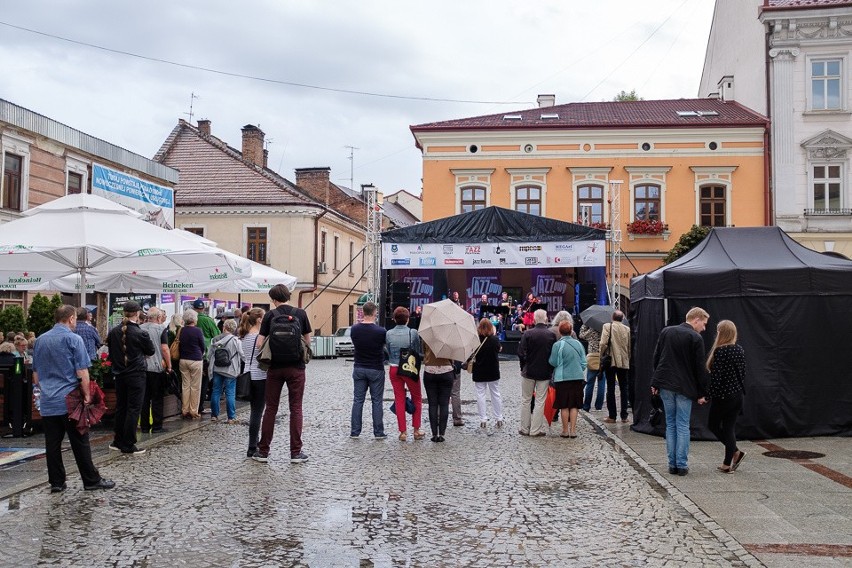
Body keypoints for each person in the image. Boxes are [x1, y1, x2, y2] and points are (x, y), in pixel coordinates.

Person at [32, 305, 115, 492]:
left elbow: (35, 376)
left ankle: (56, 482)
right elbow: (82, 371)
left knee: (52, 443)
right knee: (80, 441)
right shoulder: (73, 339)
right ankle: (91, 480)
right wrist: (86, 395)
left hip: (48, 400)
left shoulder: (40, 340)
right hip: (70, 400)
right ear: (70, 318)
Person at [253, 284, 312, 464]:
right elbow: (308, 341)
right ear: (288, 296)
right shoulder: (300, 313)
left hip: (275, 368)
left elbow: (259, 344)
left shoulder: (270, 315)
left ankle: (263, 451)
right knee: (296, 408)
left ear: (273, 299)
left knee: (271, 408)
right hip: (296, 368)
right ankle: (295, 453)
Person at [651, 307, 711, 476]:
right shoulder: (695, 338)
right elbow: (700, 368)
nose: (704, 328)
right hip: (685, 387)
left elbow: (656, 358)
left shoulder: (666, 332)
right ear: (696, 320)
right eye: (704, 324)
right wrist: (702, 392)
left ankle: (672, 464)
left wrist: (655, 382)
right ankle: (682, 465)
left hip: (665, 384)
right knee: (683, 425)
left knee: (670, 424)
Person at [106, 301, 155, 455]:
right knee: (133, 409)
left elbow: (112, 354)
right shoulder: (141, 333)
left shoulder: (114, 332)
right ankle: (128, 443)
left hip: (120, 374)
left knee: (121, 407)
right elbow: (151, 350)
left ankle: (118, 440)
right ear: (137, 313)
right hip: (136, 374)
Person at [706, 320, 747, 474]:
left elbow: (716, 378)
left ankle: (735, 453)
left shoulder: (720, 351)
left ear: (721, 333)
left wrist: (708, 396)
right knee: (729, 428)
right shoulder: (739, 349)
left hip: (723, 396)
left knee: (714, 425)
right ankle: (727, 462)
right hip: (737, 395)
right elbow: (743, 374)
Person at [349, 301, 387, 439]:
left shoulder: (354, 329)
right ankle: (378, 432)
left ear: (363, 312)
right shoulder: (381, 331)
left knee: (358, 400)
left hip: (359, 367)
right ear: (375, 312)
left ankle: (355, 431)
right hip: (376, 368)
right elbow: (384, 346)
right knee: (376, 401)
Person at [386, 306, 424, 441]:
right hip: (409, 367)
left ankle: (402, 431)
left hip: (394, 368)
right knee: (417, 397)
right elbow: (417, 352)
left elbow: (389, 351)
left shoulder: (389, 333)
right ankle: (416, 429)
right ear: (408, 319)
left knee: (399, 399)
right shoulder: (413, 333)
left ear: (394, 319)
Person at [517, 309, 556, 436]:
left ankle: (524, 428)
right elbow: (553, 355)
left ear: (534, 320)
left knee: (526, 400)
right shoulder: (551, 335)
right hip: (544, 372)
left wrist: (523, 366)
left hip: (528, 371)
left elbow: (521, 353)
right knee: (540, 401)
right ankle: (535, 430)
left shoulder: (527, 334)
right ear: (546, 320)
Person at [548, 320, 587, 438]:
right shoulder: (579, 344)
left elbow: (553, 362)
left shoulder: (557, 345)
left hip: (562, 378)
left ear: (560, 331)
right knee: (574, 405)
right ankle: (573, 430)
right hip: (577, 378)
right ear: (571, 331)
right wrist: (577, 369)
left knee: (564, 405)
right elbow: (584, 362)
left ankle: (565, 430)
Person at [239, 308, 267, 458]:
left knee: (254, 411)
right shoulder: (258, 337)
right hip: (260, 375)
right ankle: (253, 446)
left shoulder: (246, 336)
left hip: (249, 374)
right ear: (259, 320)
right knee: (258, 412)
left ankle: (253, 443)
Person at [140, 307, 171, 434]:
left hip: (142, 367)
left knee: (144, 398)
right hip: (156, 367)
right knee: (157, 397)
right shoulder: (161, 329)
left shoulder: (140, 328)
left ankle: (144, 426)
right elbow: (164, 348)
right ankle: (157, 426)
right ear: (158, 317)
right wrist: (169, 365)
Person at [208, 318, 244, 424]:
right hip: (231, 370)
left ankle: (214, 415)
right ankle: (231, 417)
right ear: (234, 329)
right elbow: (242, 355)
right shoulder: (235, 340)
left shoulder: (215, 340)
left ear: (224, 327)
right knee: (230, 393)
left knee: (216, 392)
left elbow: (209, 355)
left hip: (217, 369)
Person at [471, 318, 504, 428]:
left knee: (480, 395)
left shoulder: (475, 339)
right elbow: (499, 349)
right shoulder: (494, 339)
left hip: (479, 370)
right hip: (493, 370)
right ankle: (499, 417)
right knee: (495, 393)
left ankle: (483, 419)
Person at [601, 311, 631, 424]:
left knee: (611, 387)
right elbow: (629, 346)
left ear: (612, 317)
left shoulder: (607, 326)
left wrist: (601, 356)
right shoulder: (627, 329)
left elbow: (603, 343)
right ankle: (624, 416)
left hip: (611, 360)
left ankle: (612, 416)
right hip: (623, 361)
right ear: (622, 318)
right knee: (624, 388)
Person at [422, 340, 454, 442]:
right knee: (444, 404)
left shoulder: (427, 336)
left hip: (430, 370)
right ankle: (442, 434)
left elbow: (424, 351)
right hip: (446, 370)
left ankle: (434, 433)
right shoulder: (448, 338)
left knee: (432, 404)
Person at [191, 298, 220, 415]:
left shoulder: (190, 319)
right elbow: (217, 335)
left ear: (194, 308)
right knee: (203, 382)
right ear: (203, 308)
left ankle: (191, 407)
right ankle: (200, 406)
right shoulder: (208, 320)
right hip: (205, 355)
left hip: (189, 354)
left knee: (190, 383)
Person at [178, 309, 206, 420]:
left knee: (185, 386)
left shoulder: (181, 330)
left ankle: (184, 410)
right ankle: (193, 411)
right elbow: (202, 345)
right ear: (195, 319)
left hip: (183, 360)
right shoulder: (198, 331)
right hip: (195, 360)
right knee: (195, 387)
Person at [579, 323, 605, 412]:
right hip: (603, 358)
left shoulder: (592, 330)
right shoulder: (605, 329)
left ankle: (586, 406)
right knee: (602, 382)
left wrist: (585, 324)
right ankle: (599, 406)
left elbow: (581, 335)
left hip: (592, 358)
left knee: (590, 383)